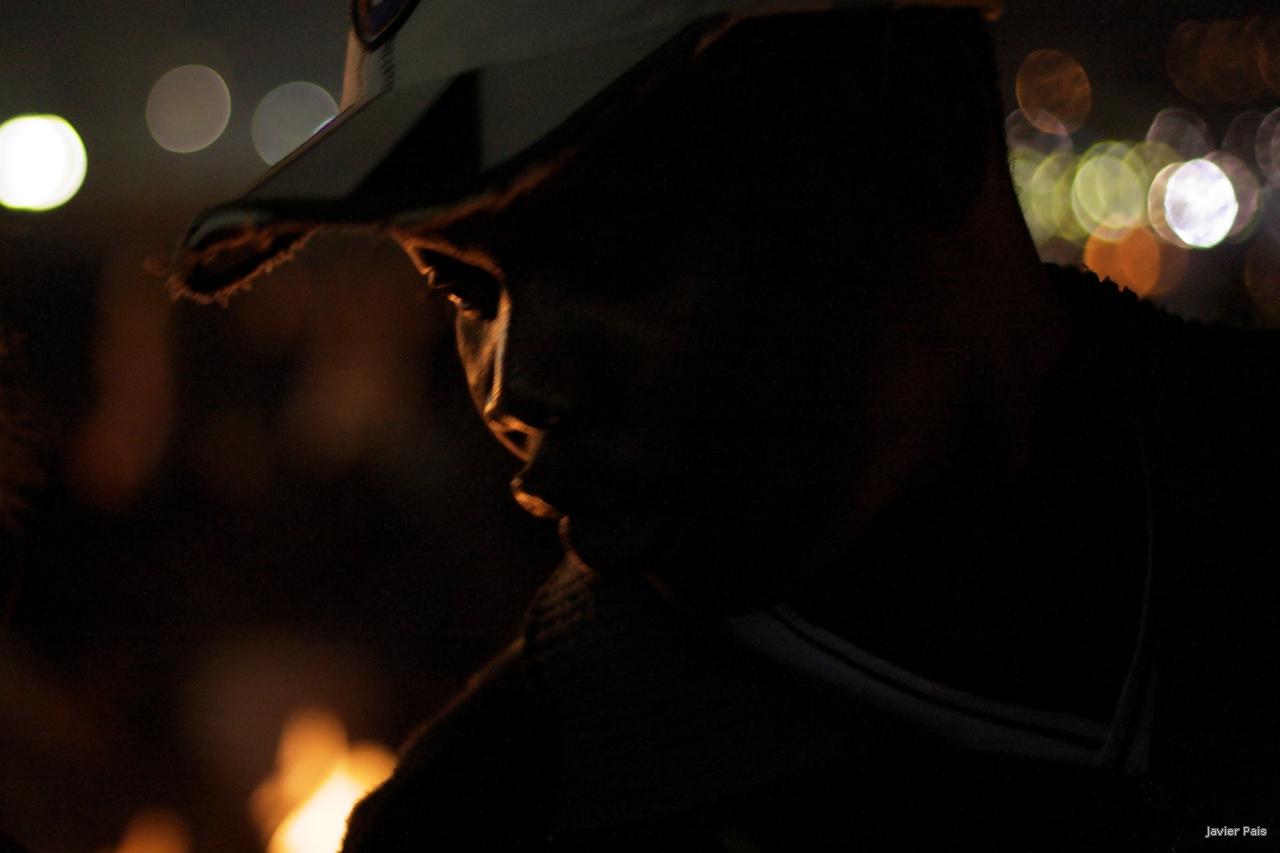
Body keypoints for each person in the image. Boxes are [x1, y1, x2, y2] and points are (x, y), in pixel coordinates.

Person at [169, 0, 1280, 848]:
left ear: (919, 120)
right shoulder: (490, 817)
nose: (517, 382)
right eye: (463, 291)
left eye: (616, 252)